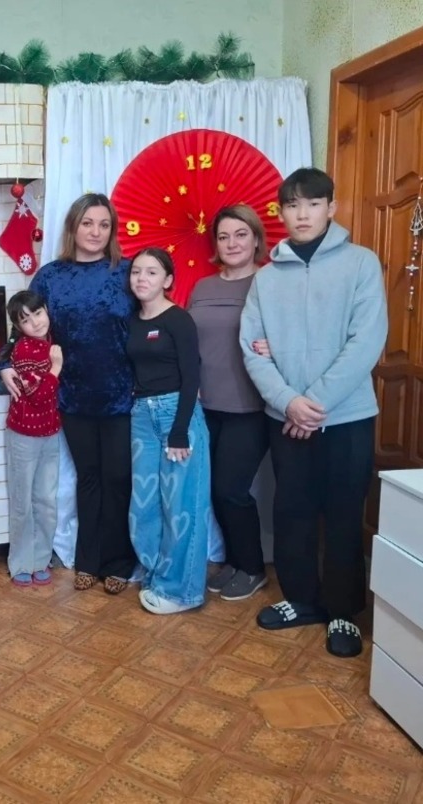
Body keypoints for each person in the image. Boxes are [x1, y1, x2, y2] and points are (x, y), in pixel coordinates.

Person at [240, 167, 388, 658]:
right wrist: (288, 402)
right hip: (285, 416)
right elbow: (252, 349)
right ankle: (301, 599)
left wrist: (313, 404)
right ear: (281, 213)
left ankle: (343, 609)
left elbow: (366, 341)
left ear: (331, 208)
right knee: (292, 509)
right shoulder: (265, 278)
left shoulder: (360, 263)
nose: (302, 214)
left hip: (346, 417)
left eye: (312, 203)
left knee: (344, 512)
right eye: (292, 205)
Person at [1, 193, 136, 594]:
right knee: (88, 479)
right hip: (71, 397)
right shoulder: (50, 276)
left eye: (104, 224)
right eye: (87, 223)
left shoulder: (127, 272)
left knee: (118, 479)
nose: (96, 232)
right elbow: (21, 329)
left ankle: (118, 562)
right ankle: (88, 560)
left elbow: (152, 321)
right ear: (73, 227)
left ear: (112, 230)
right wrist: (4, 365)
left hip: (120, 395)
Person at [127, 247, 216, 614]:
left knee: (182, 505)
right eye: (136, 271)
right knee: (145, 503)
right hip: (141, 416)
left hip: (177, 414)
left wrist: (179, 431)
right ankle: (156, 574)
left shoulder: (179, 319)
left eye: (151, 272)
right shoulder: (132, 321)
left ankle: (182, 592)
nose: (141, 278)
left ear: (167, 280)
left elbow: (192, 375)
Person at [188, 205, 270, 601]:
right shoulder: (202, 287)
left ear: (256, 239)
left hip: (250, 407)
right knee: (212, 489)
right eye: (223, 236)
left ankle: (253, 568)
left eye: (240, 234)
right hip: (204, 407)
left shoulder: (269, 283)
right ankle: (235, 563)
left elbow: (293, 334)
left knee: (231, 489)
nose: (232, 243)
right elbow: (189, 343)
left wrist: (278, 346)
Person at [2, 289, 63, 587]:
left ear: (46, 310)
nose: (35, 322)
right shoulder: (25, 350)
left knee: (46, 500)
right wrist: (57, 367)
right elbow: (37, 395)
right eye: (26, 320)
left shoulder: (51, 341)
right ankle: (21, 562)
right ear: (18, 326)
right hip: (24, 435)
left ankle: (41, 558)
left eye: (38, 313)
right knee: (23, 501)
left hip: (51, 432)